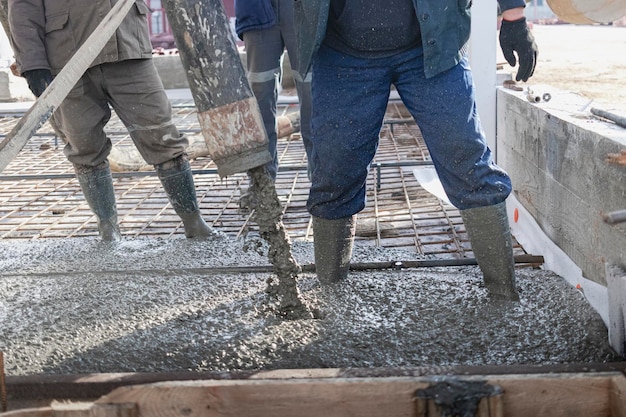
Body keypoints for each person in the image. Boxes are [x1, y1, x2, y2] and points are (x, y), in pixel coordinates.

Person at [294, 0, 538, 300]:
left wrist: (514, 16)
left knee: (465, 156)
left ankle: (504, 298)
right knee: (334, 170)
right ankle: (331, 299)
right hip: (343, 53)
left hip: (432, 45)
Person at [8, 0, 212, 241]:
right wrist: (32, 63)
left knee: (163, 136)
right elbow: (23, 5)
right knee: (84, 146)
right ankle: (108, 229)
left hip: (126, 43)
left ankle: (194, 221)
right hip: (67, 56)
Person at [234, 0, 313, 207]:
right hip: (257, 9)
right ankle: (262, 186)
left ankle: (323, 183)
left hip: (303, 9)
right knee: (259, 98)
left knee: (313, 93)